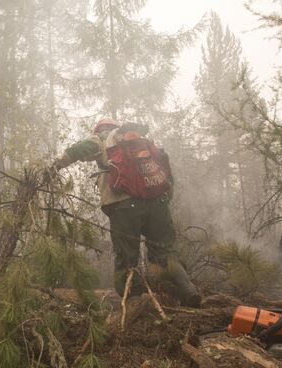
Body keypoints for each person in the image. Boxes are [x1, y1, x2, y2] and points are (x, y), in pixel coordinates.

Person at [50, 118, 200, 307]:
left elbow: (78, 149)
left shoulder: (103, 139)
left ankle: (132, 301)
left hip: (124, 206)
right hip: (157, 203)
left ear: (102, 129)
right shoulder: (144, 143)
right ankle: (186, 291)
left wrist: (55, 166)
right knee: (165, 251)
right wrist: (161, 202)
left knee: (127, 255)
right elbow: (165, 176)